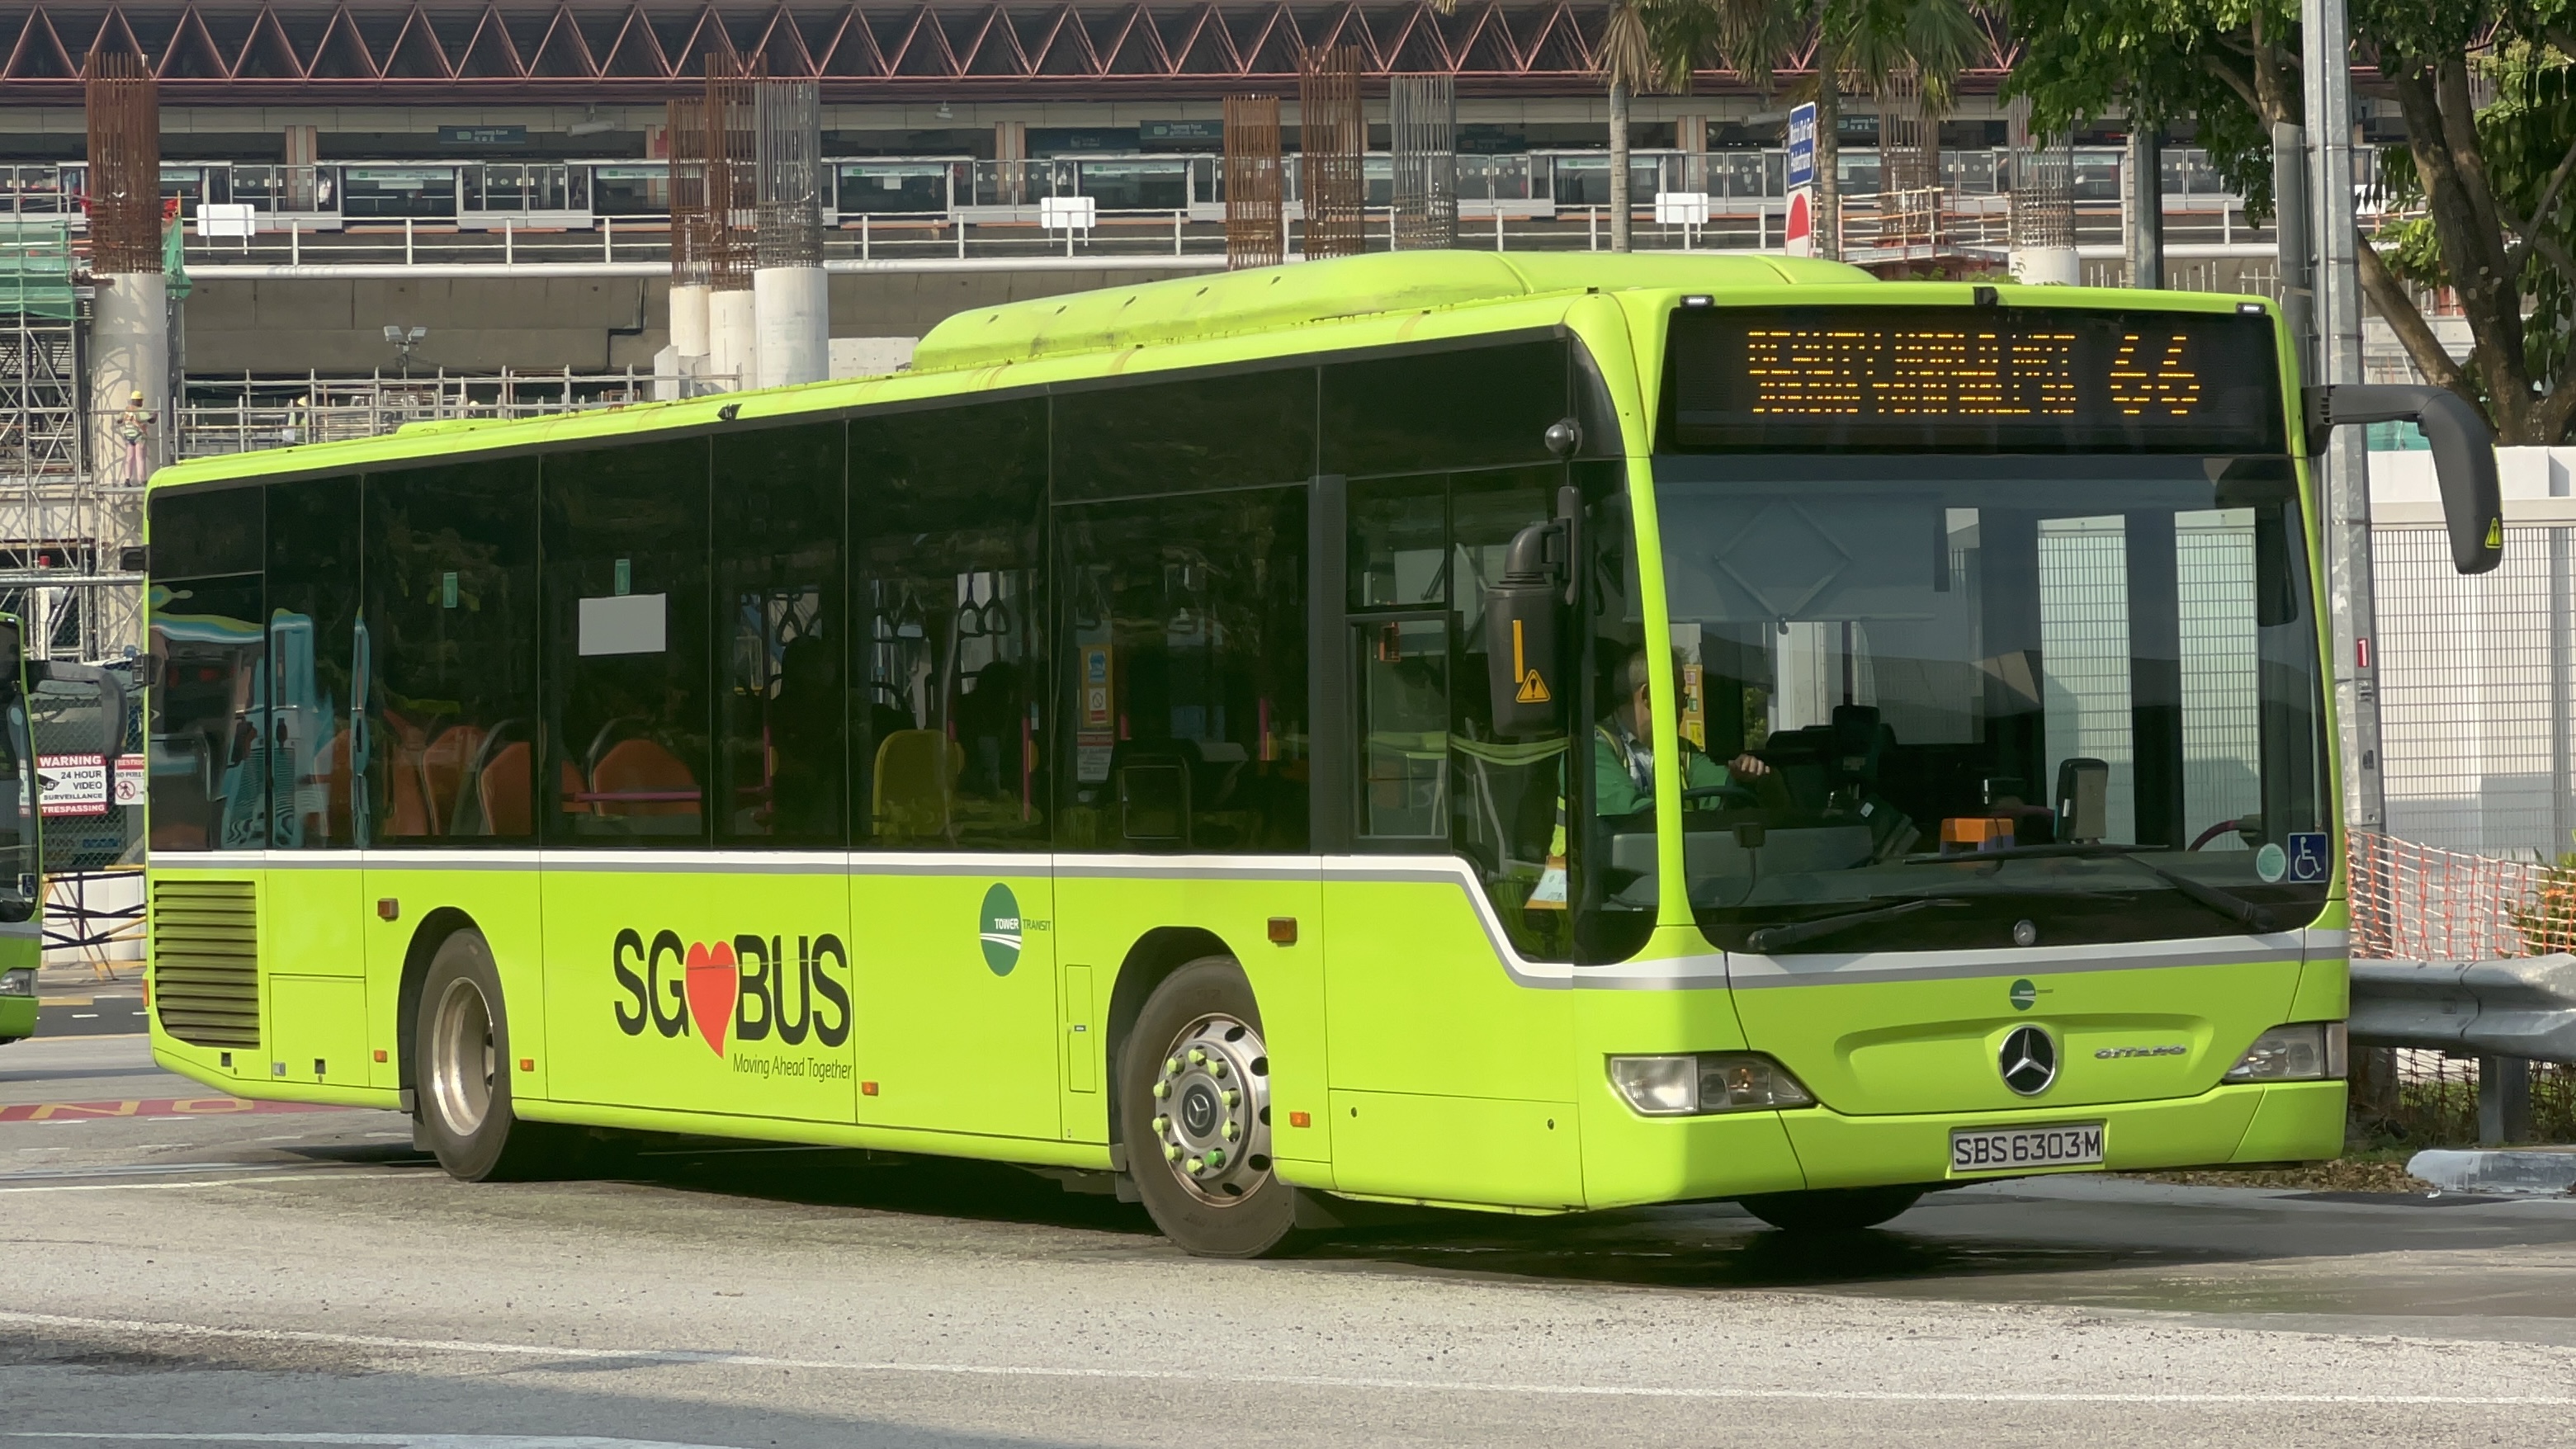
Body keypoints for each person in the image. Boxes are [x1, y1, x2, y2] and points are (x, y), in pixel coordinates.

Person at [1594, 646, 1766, 817]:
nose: (1684, 705)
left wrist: (1742, 777)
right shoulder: (1592, 749)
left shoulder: (1683, 750)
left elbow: (1721, 790)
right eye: (1678, 694)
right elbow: (1633, 813)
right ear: (1647, 695)